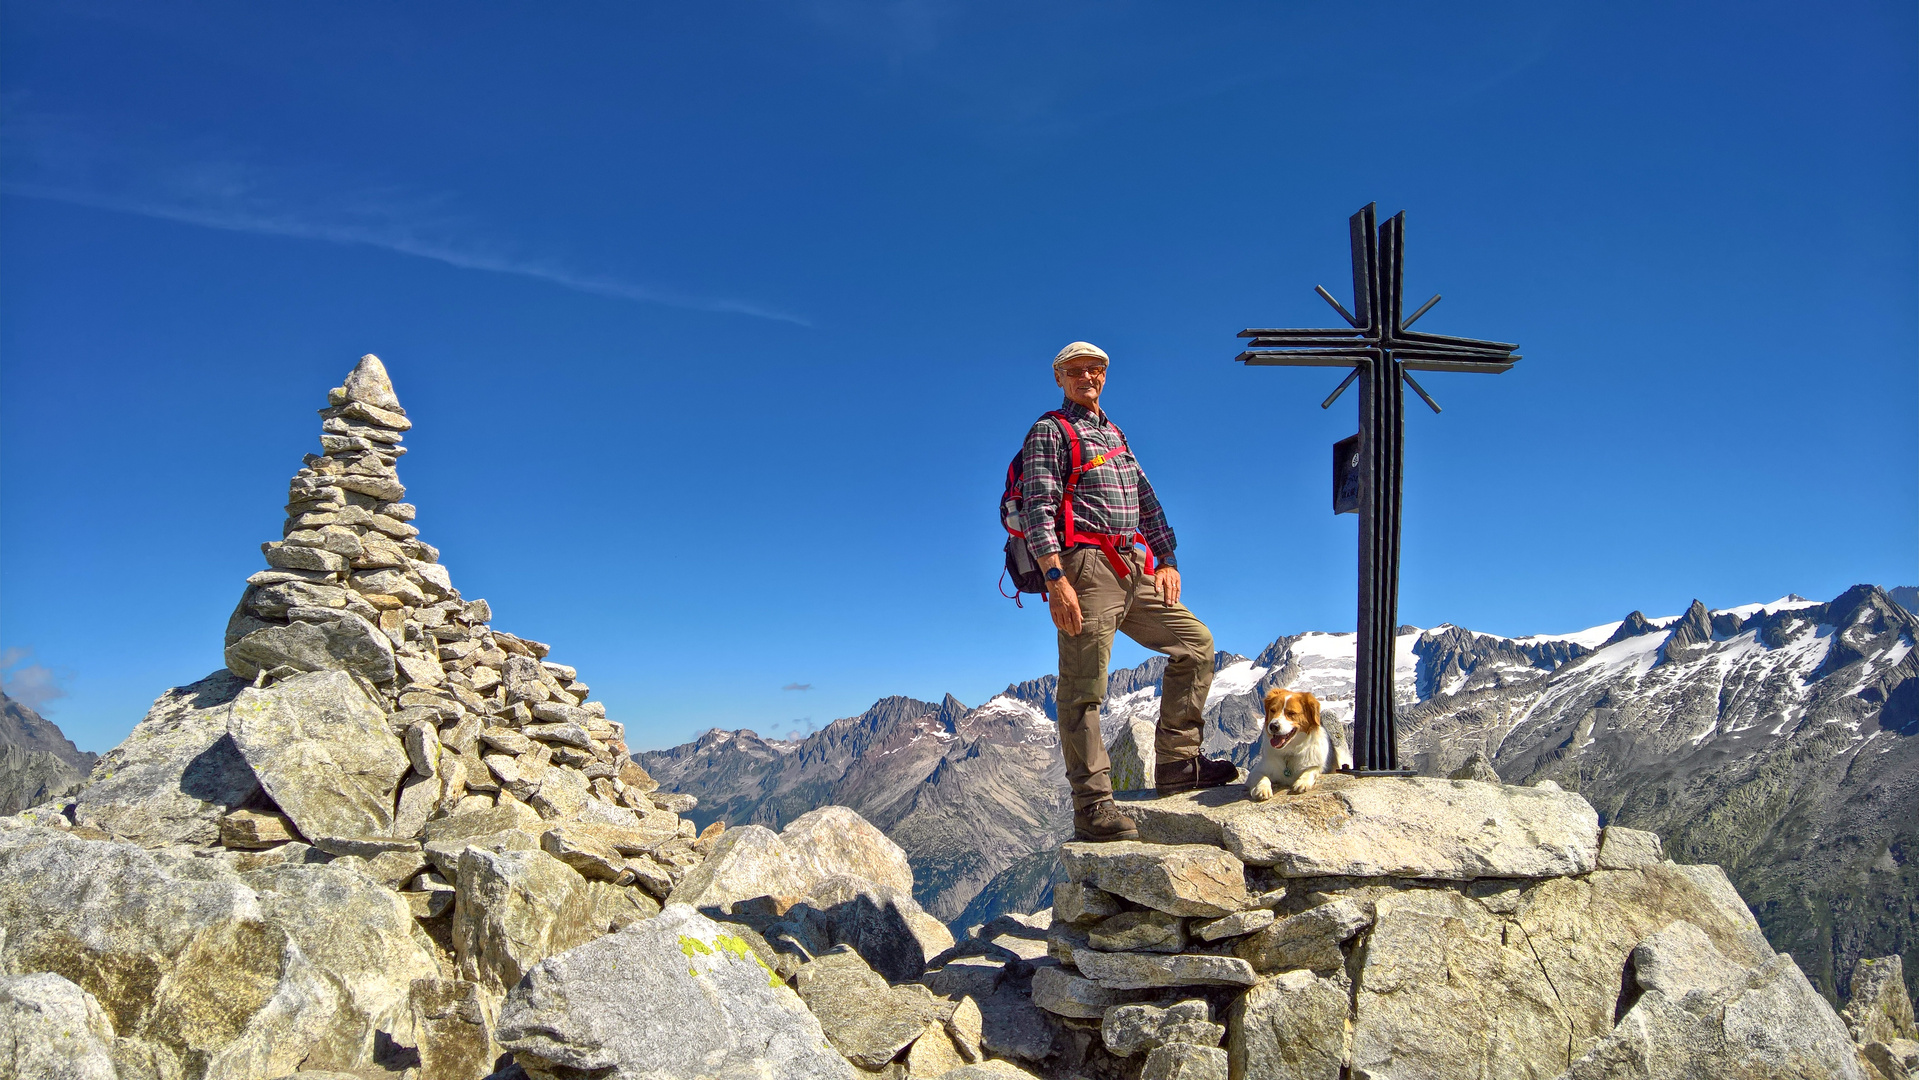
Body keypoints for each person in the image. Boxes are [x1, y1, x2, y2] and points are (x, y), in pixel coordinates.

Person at [1019, 341, 1237, 842]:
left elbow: (1147, 500)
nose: (1087, 377)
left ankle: (1179, 764)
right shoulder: (1050, 431)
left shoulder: (1114, 433)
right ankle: (1093, 806)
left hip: (1132, 564)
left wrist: (1167, 558)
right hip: (1086, 568)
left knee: (1196, 645)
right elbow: (1038, 508)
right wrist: (1056, 580)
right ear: (1059, 378)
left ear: (1104, 376)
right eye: (1075, 370)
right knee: (1083, 689)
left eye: (1095, 369)